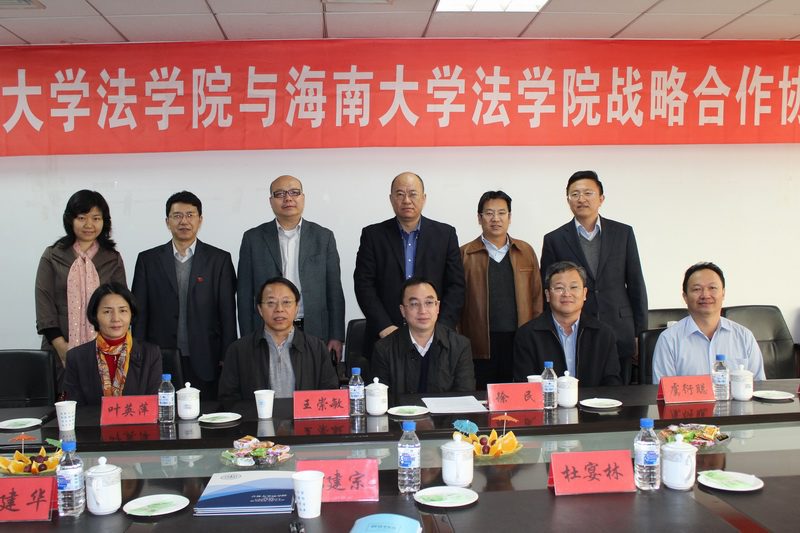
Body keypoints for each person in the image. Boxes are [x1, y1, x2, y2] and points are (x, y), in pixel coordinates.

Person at [540, 170, 647, 384]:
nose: (581, 199)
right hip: (577, 332)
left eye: (588, 193)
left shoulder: (623, 233)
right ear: (568, 200)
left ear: (601, 198)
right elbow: (549, 291)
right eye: (575, 194)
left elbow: (636, 284)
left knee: (620, 393)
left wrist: (640, 333)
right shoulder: (554, 239)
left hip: (620, 329)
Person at [132, 191, 237, 399]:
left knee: (207, 413)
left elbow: (227, 313)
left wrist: (228, 356)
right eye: (177, 215)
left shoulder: (219, 260)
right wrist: (139, 355)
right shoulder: (148, 260)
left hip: (206, 356)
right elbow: (140, 313)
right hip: (160, 356)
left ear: (200, 220)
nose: (184, 221)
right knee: (164, 413)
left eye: (190, 215)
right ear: (167, 222)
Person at [354, 172, 465, 361]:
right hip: (385, 338)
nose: (406, 200)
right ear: (391, 199)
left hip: (435, 340)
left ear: (424, 198)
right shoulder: (373, 235)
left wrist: (440, 330)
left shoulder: (445, 235)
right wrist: (384, 327)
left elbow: (456, 287)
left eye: (413, 194)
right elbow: (364, 285)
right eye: (400, 194)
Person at [237, 175, 345, 361]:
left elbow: (334, 291)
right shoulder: (253, 238)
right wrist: (247, 338)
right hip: (265, 330)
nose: (288, 198)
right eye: (280, 194)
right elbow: (245, 294)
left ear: (303, 197)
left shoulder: (323, 237)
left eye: (294, 192)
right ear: (271, 201)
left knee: (310, 379)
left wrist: (336, 335)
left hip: (313, 330)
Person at [35, 190, 127, 385]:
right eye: (82, 218)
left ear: (104, 221)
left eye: (96, 218)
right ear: (70, 220)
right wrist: (62, 346)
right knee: (61, 397)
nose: (89, 225)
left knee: (102, 397)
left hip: (106, 346)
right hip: (58, 346)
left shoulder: (112, 258)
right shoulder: (52, 255)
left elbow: (121, 304)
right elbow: (44, 303)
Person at [460, 190, 543, 388]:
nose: (495, 219)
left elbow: (537, 297)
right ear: (479, 218)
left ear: (510, 217)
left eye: (501, 213)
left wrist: (535, 338)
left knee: (518, 397)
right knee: (482, 397)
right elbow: (457, 301)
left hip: (519, 341)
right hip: (479, 344)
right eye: (489, 213)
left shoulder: (525, 251)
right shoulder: (464, 254)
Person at [218, 277, 339, 402]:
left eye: (286, 302)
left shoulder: (317, 348)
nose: (279, 309)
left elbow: (330, 395)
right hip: (255, 415)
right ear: (260, 309)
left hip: (303, 415)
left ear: (296, 308)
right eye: (271, 303)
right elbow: (228, 399)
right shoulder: (238, 351)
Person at [652, 262, 766, 383]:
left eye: (712, 288)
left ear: (723, 293)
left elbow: (759, 386)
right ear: (685, 297)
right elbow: (663, 391)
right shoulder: (669, 340)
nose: (705, 295)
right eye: (697, 289)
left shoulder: (744, 337)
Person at [513, 261, 622, 386]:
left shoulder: (603, 334)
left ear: (584, 293)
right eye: (559, 288)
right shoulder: (527, 335)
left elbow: (612, 383)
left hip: (593, 399)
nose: (567, 294)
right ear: (548, 295)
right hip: (547, 399)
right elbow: (524, 384)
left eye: (574, 287)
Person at [372, 278, 475, 406]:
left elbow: (465, 398)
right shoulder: (384, 348)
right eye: (414, 304)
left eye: (429, 302)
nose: (423, 311)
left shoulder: (460, 346)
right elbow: (380, 401)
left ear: (437, 307)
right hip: (400, 417)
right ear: (403, 310)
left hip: (445, 418)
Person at [64, 283, 161, 406]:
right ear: (95, 316)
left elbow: (152, 405)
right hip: (91, 419)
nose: (116, 318)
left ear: (131, 314)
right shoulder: (76, 357)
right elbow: (75, 408)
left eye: (122, 311)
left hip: (137, 419)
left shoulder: (150, 354)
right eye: (107, 312)